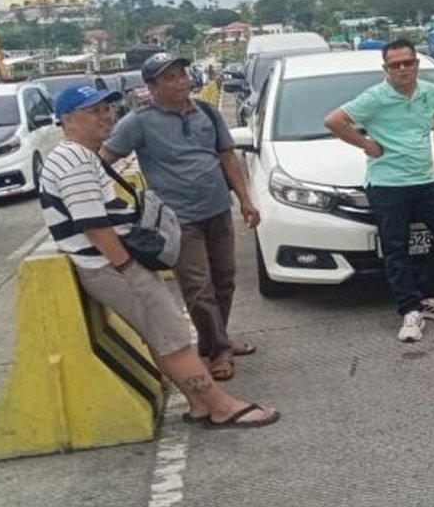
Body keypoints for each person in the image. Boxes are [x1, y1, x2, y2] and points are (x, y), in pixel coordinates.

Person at [39, 84, 278, 428]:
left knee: (160, 336)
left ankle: (199, 404)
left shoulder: (80, 156)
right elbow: (93, 225)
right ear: (67, 120)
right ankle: (222, 406)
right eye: (93, 111)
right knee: (174, 337)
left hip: (112, 264)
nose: (105, 116)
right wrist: (128, 268)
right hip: (112, 266)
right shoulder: (74, 161)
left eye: (107, 108)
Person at [101, 52, 260, 382]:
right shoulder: (138, 122)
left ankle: (217, 339)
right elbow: (104, 159)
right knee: (198, 287)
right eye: (169, 78)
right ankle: (218, 351)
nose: (180, 82)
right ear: (152, 88)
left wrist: (245, 200)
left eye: (182, 74)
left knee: (225, 279)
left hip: (218, 209)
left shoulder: (207, 112)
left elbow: (227, 157)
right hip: (178, 220)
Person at [323, 38, 434, 343]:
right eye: (395, 65)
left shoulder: (431, 92)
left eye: (408, 63)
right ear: (386, 69)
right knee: (396, 248)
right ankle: (409, 309)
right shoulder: (375, 97)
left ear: (417, 65)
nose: (402, 69)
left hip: (424, 181)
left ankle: (427, 297)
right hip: (387, 184)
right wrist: (367, 145)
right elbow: (334, 120)